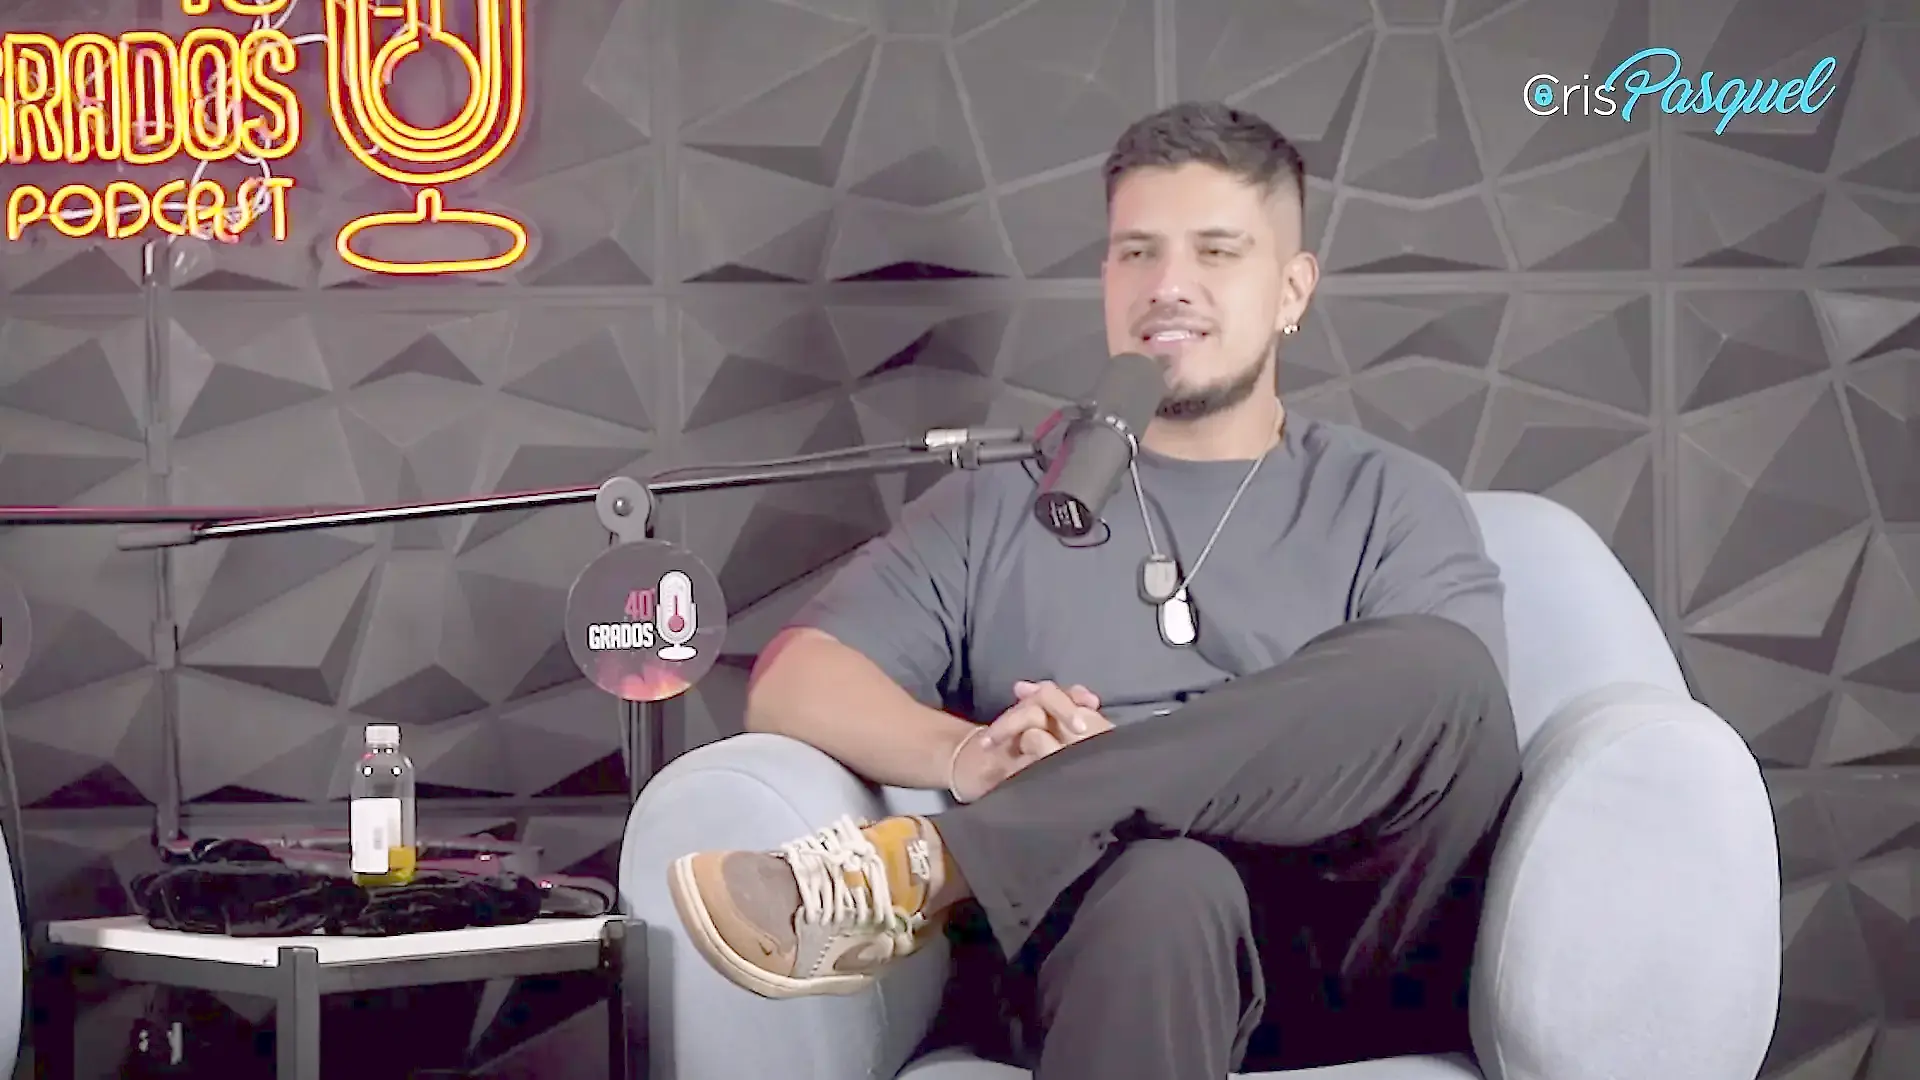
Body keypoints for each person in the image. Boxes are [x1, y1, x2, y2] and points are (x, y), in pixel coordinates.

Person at [666, 102, 1522, 1080]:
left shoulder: (1391, 497)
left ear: (1292, 289)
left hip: (1349, 943)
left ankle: (938, 862)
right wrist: (968, 754)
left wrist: (1091, 778)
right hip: (1111, 945)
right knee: (1163, 882)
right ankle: (1003, 846)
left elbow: (1447, 730)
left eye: (1216, 251)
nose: (1169, 285)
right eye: (1137, 253)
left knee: (1444, 668)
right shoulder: (999, 500)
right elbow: (796, 679)